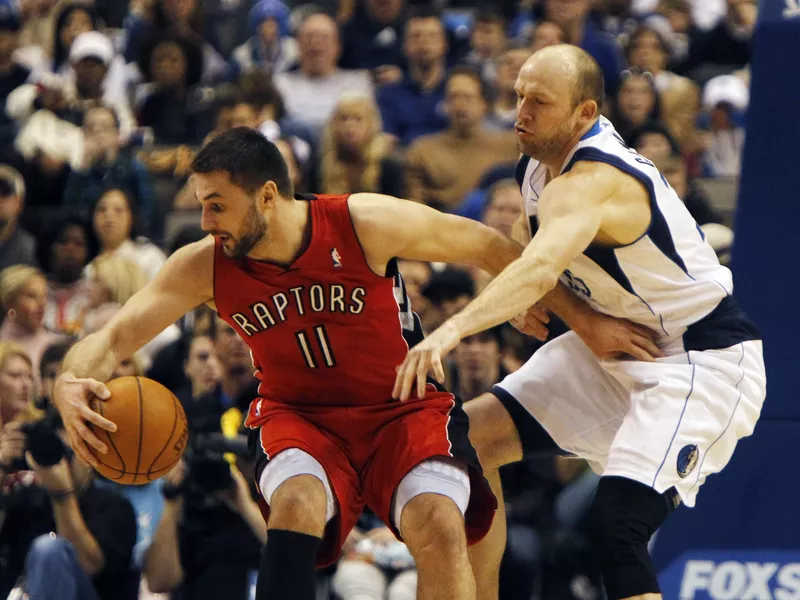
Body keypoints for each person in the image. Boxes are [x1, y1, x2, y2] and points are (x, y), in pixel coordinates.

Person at [51, 127, 645, 600]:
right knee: (297, 504)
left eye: (216, 206)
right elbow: (114, 335)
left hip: (402, 407)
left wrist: (575, 315)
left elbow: (487, 244)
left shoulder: (361, 222)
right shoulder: (203, 263)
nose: (205, 222)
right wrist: (69, 383)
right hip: (299, 415)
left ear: (265, 196)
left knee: (438, 523)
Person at [394, 45, 766, 600]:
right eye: (519, 94)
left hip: (700, 360)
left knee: (616, 527)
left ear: (584, 113)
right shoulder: (538, 163)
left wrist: (450, 331)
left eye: (539, 102)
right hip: (615, 345)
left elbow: (542, 264)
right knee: (461, 442)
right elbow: (529, 236)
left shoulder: (597, 180)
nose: (521, 111)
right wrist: (569, 314)